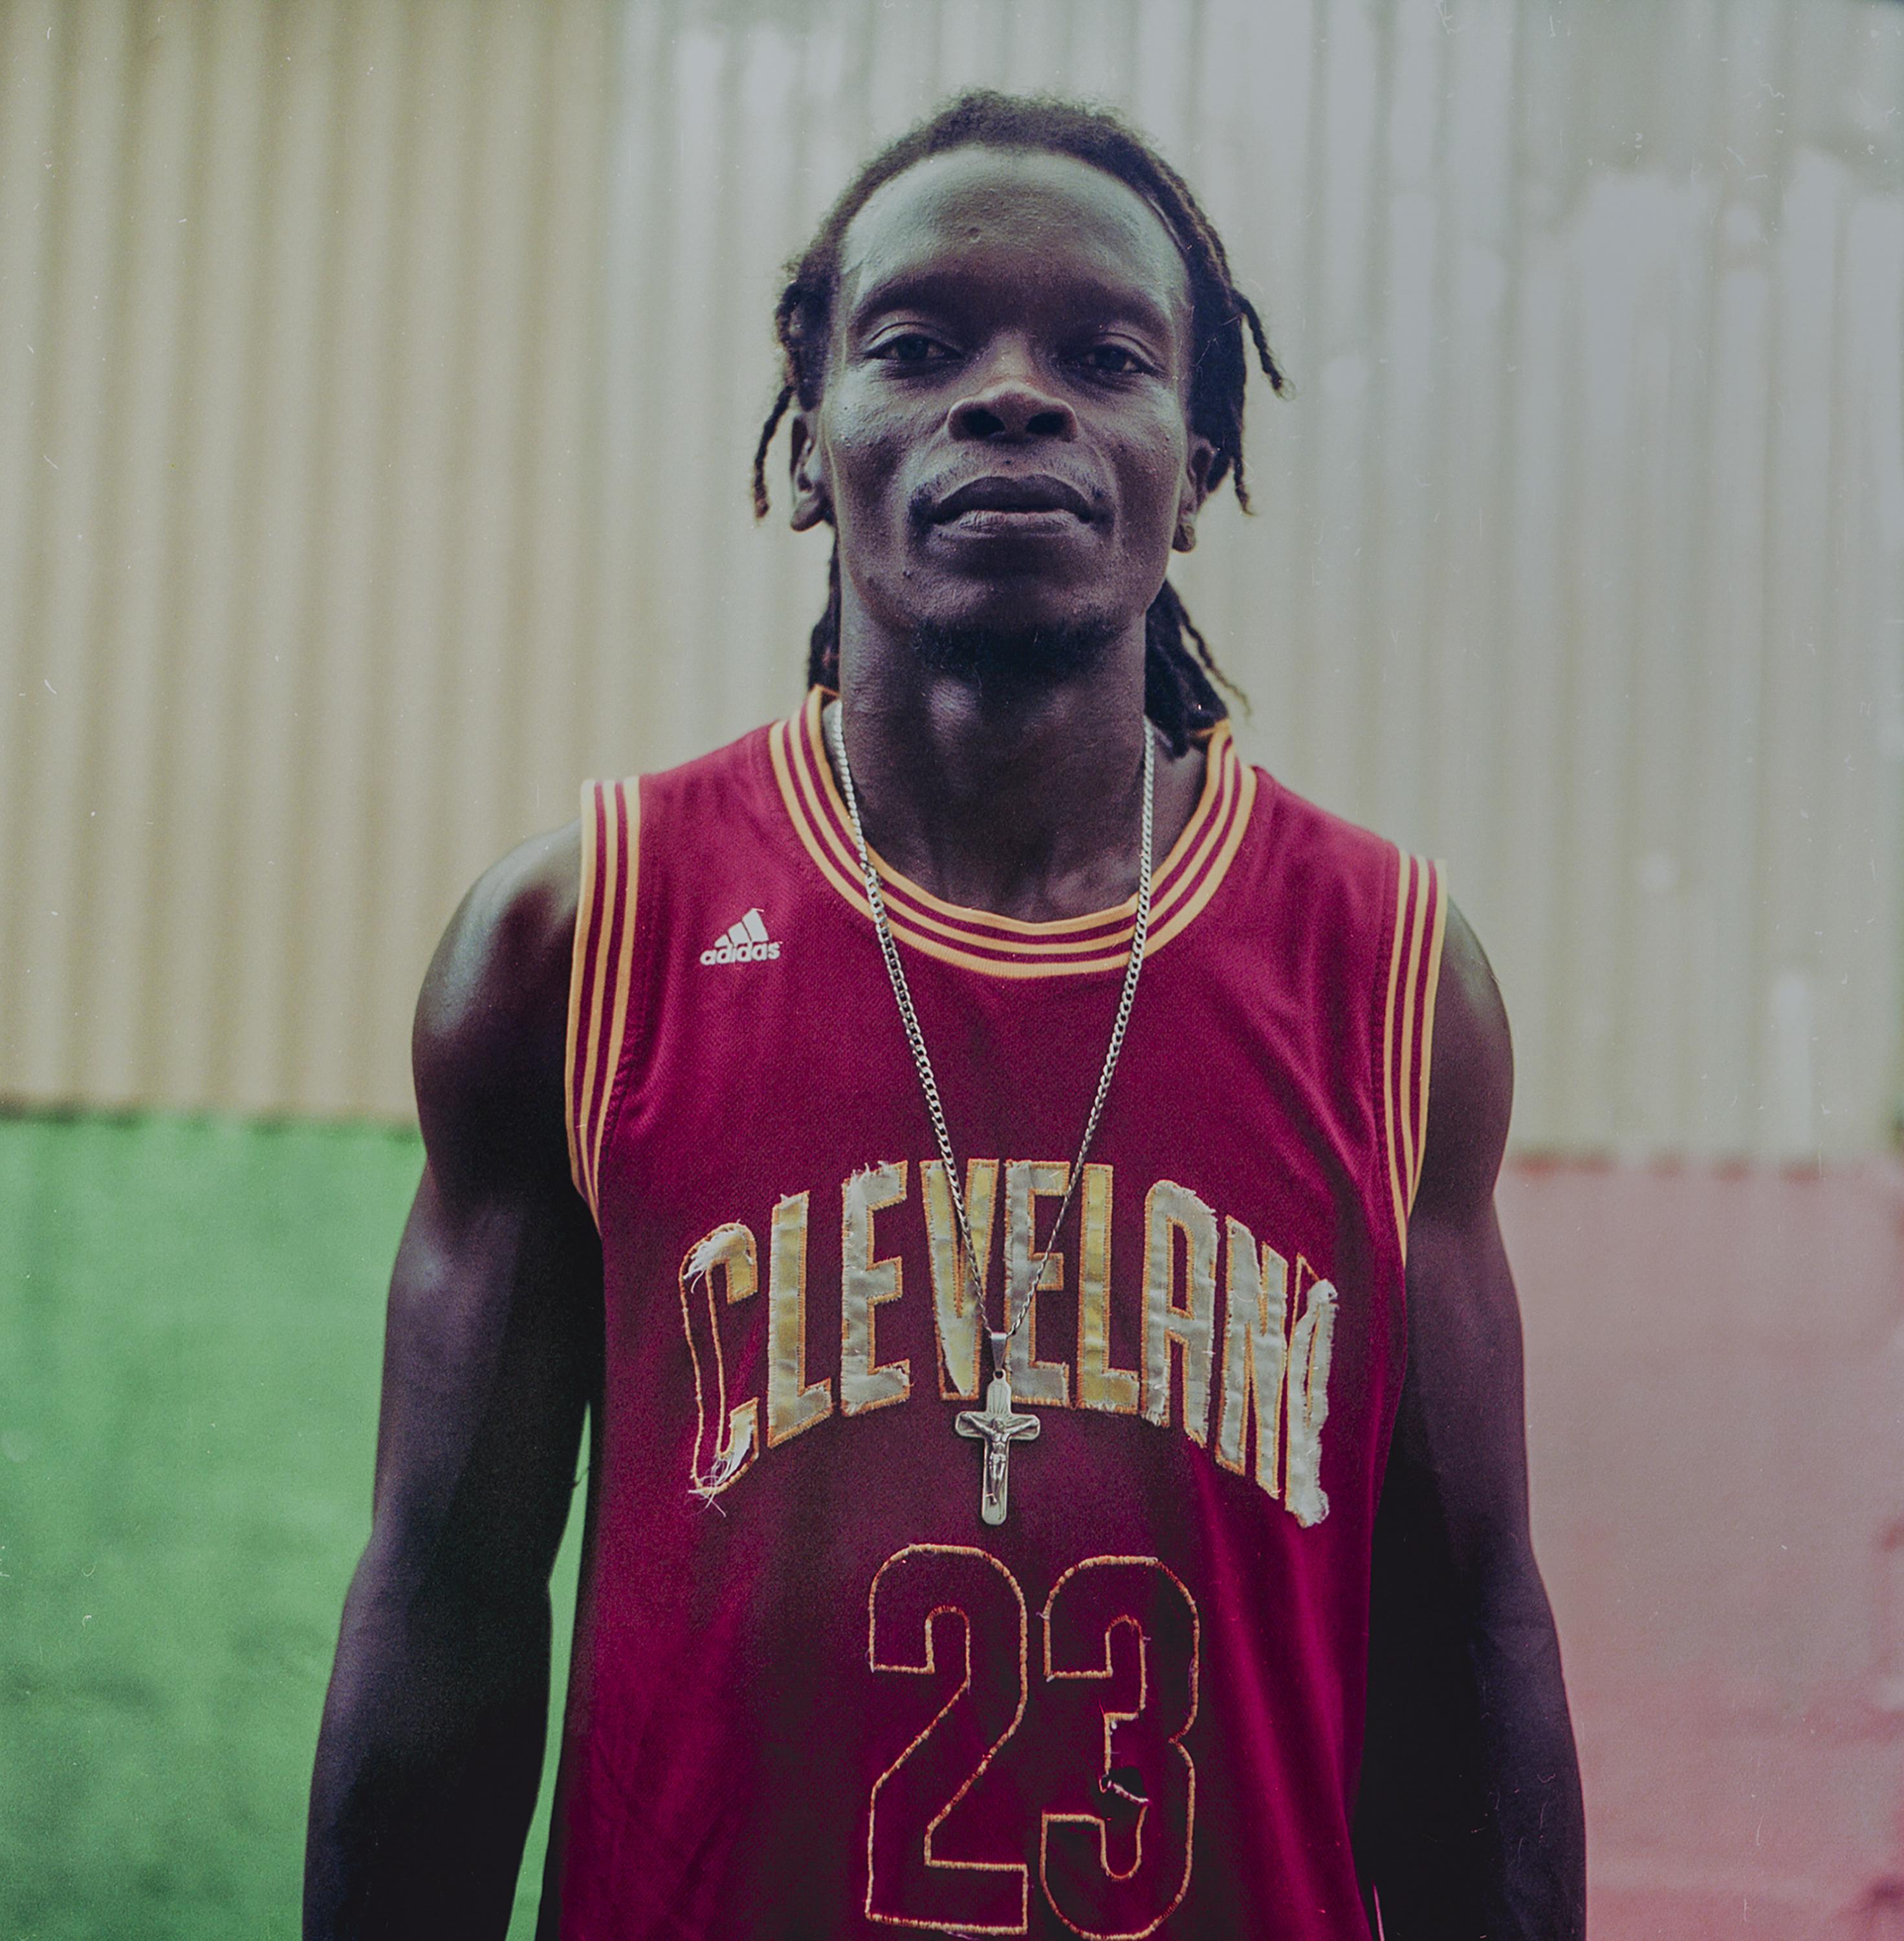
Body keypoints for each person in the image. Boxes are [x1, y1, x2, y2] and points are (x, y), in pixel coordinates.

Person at [305, 91, 1584, 1940]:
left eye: (1103, 356)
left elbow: (1467, 1652)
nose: (1009, 397)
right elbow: (446, 1612)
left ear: (1198, 456)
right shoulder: (581, 938)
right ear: (809, 442)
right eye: (916, 346)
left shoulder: (1386, 974)